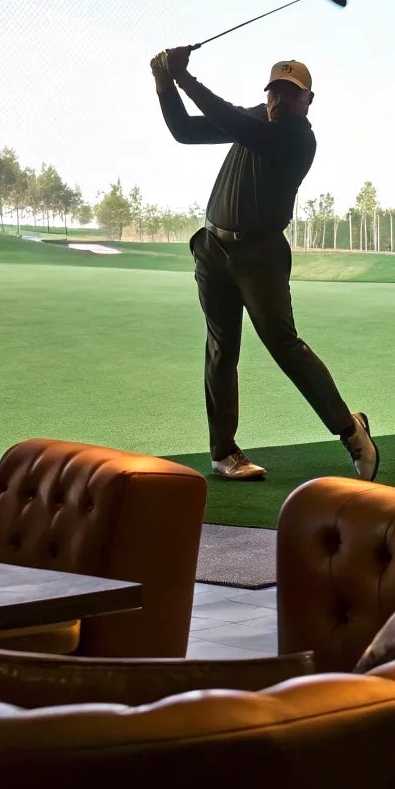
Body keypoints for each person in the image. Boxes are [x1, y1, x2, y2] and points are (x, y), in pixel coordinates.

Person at [150, 46, 379, 483]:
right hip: (213, 250)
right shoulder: (257, 117)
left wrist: (184, 77)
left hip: (261, 257)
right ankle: (223, 453)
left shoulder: (296, 139)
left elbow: (232, 122)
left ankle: (351, 432)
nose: (278, 101)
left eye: (290, 94)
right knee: (220, 350)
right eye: (274, 91)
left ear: (307, 101)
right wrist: (164, 83)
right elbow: (184, 131)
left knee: (283, 345)